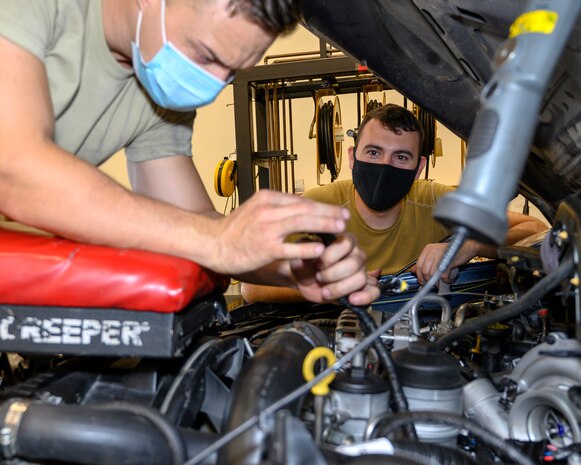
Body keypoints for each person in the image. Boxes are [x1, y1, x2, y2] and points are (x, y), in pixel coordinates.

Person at [0, 0, 378, 307]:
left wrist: (292, 264)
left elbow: (190, 218)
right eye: (204, 54)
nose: (213, 86)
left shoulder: (158, 88)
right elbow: (14, 168)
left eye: (231, 72)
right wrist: (217, 239)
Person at [241, 104, 547, 303]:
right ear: (352, 157)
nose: (385, 166)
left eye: (401, 157)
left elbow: (533, 229)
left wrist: (468, 245)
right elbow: (251, 289)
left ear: (419, 167)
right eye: (374, 152)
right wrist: (326, 288)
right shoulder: (317, 209)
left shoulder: (435, 201)